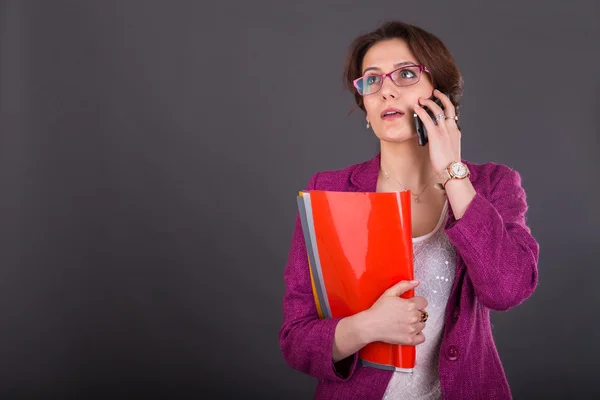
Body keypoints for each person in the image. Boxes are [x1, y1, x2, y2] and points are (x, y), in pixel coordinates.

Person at [279, 20, 539, 400]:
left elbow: (507, 289)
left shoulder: (492, 185)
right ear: (365, 108)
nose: (386, 91)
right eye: (372, 80)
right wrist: (366, 326)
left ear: (441, 94)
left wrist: (453, 172)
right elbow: (296, 340)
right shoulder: (329, 190)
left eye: (404, 74)